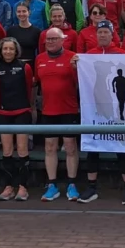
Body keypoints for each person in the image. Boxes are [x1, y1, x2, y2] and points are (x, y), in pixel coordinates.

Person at [72, 21, 125, 204]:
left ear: (112, 34)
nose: (102, 35)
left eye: (105, 32)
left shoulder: (123, 54)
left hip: (117, 109)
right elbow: (81, 80)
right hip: (95, 109)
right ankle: (92, 187)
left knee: (122, 147)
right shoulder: (88, 56)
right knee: (93, 147)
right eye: (99, 32)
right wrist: (75, 66)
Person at [34, 28, 82, 202]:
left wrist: (77, 68)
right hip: (48, 110)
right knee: (50, 147)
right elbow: (36, 84)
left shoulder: (73, 57)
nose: (51, 42)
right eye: (48, 39)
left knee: (70, 147)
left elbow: (82, 82)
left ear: (63, 40)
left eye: (54, 38)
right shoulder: (39, 59)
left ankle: (72, 184)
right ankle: (52, 184)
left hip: (69, 109)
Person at [0, 38, 34, 201]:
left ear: (16, 51)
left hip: (22, 111)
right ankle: (8, 186)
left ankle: (23, 187)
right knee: (7, 151)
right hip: (4, 113)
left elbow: (29, 90)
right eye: (5, 49)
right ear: (1, 51)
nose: (8, 52)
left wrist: (30, 109)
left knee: (22, 149)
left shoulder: (25, 67)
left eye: (11, 49)